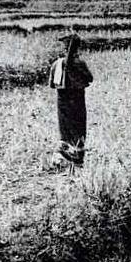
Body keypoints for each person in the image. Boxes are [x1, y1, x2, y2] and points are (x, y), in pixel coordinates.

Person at [50, 34, 94, 168]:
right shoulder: (80, 63)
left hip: (62, 100)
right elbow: (89, 78)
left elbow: (52, 84)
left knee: (65, 127)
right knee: (78, 126)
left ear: (64, 49)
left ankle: (64, 156)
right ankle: (77, 157)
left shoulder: (57, 64)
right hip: (78, 99)